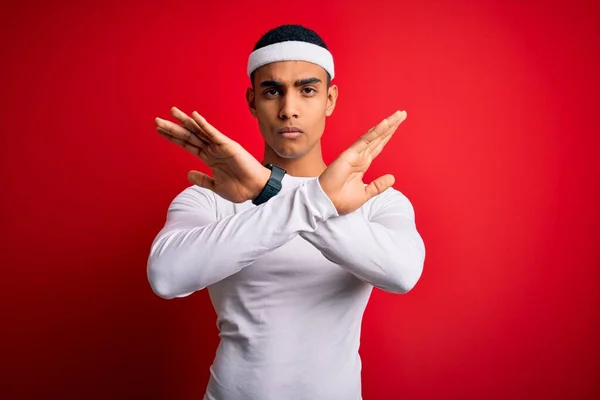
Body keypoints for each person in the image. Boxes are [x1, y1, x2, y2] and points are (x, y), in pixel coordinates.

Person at [147, 24, 425, 400]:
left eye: (307, 90)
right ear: (252, 102)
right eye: (272, 91)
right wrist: (294, 197)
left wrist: (268, 194)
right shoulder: (210, 197)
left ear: (330, 99)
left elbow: (402, 273)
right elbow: (166, 276)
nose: (288, 110)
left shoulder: (377, 201)